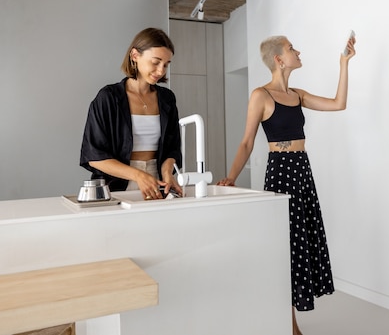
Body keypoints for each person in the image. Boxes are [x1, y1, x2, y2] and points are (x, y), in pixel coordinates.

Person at [217, 34, 356, 335]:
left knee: (302, 243)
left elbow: (338, 104)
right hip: (281, 173)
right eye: (292, 49)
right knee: (288, 247)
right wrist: (231, 177)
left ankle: (290, 323)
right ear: (279, 59)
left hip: (302, 171)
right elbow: (246, 142)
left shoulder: (298, 94)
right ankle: (290, 326)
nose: (298, 51)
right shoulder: (260, 96)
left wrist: (343, 63)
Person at [80, 27, 183, 200]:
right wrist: (138, 175)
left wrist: (167, 172)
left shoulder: (167, 99)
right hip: (116, 186)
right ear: (135, 56)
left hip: (156, 185)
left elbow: (172, 148)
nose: (161, 71)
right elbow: (94, 156)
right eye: (156, 62)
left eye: (166, 64)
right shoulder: (108, 98)